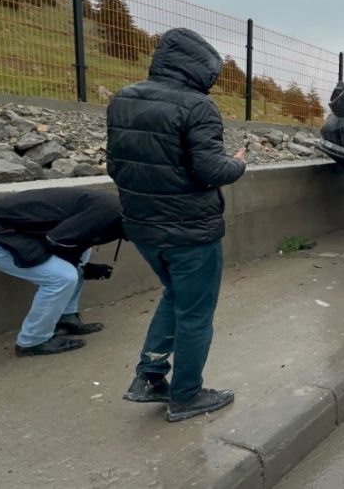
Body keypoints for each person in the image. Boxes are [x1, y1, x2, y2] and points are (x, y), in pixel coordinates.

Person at [107, 28, 246, 423]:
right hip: (191, 233)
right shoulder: (198, 106)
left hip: (142, 228)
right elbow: (211, 169)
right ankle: (186, 395)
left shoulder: (123, 98)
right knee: (195, 314)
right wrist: (238, 163)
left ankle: (149, 377)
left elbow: (115, 165)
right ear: (198, 68)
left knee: (174, 296)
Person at [0, 188, 122, 357]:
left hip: (18, 230)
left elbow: (73, 240)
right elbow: (56, 239)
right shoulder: (107, 211)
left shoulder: (117, 209)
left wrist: (82, 266)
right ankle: (33, 340)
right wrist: (82, 267)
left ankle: (66, 317)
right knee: (62, 278)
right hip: (1, 233)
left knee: (82, 253)